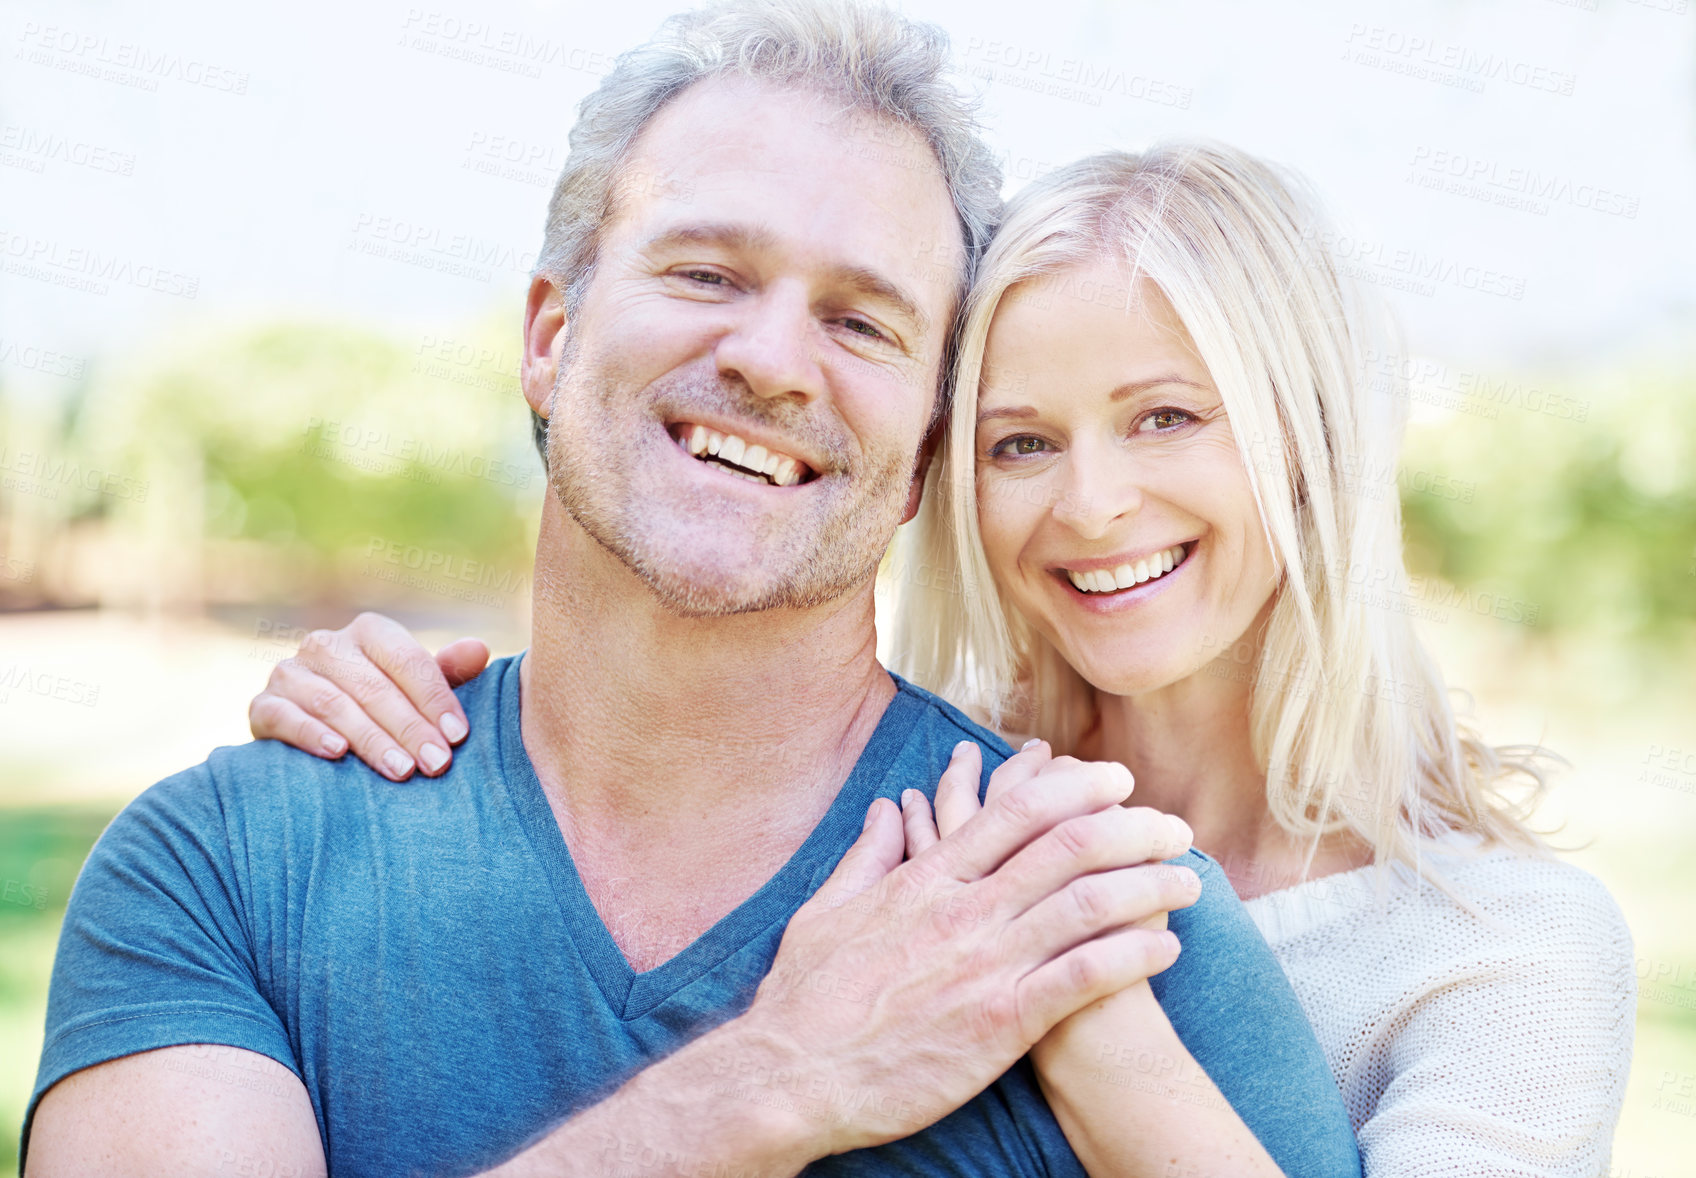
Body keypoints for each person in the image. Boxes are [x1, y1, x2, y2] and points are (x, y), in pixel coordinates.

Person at [23, 4, 1363, 1177]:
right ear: (551, 339)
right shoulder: (228, 870)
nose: (774, 359)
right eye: (706, 272)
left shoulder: (1100, 924)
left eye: (862, 321)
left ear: (923, 462)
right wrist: (772, 1081)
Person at [262, 142, 1638, 1173]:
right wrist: (428, 723)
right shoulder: (901, 809)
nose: (1090, 504)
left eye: (1164, 418)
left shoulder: (1499, 950)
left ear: (1314, 442)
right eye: (1020, 442)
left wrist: (1076, 1007)